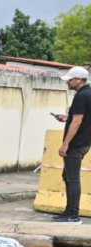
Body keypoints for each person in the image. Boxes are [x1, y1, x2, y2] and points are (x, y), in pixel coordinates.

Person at [52, 67, 91, 224]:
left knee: (72, 178)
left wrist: (65, 144)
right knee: (68, 176)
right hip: (84, 142)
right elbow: (79, 117)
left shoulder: (81, 96)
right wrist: (67, 117)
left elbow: (77, 121)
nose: (68, 82)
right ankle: (69, 211)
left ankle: (73, 215)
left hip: (76, 144)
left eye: (70, 79)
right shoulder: (88, 93)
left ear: (78, 80)